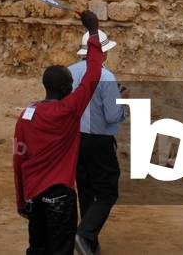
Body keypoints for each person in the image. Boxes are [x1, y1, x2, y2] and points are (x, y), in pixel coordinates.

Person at [14, 11, 103, 255]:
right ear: (66, 88)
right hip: (59, 196)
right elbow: (93, 74)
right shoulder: (69, 110)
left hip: (33, 193)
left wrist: (21, 199)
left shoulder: (26, 115)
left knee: (37, 248)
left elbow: (18, 159)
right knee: (61, 250)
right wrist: (93, 31)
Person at [67, 29, 124, 254]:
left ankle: (89, 241)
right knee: (108, 191)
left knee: (85, 189)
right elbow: (111, 115)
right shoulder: (106, 77)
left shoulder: (69, 72)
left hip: (74, 139)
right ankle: (85, 234)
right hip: (99, 140)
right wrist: (123, 105)